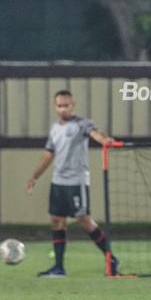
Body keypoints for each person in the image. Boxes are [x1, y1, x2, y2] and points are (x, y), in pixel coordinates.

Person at [26, 90, 119, 278]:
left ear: (72, 105)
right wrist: (34, 176)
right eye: (59, 105)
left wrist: (104, 140)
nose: (63, 109)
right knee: (57, 220)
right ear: (55, 107)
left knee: (83, 219)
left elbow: (95, 133)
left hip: (76, 181)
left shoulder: (81, 124)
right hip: (58, 181)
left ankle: (110, 257)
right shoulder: (54, 129)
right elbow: (48, 154)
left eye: (66, 105)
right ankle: (59, 267)